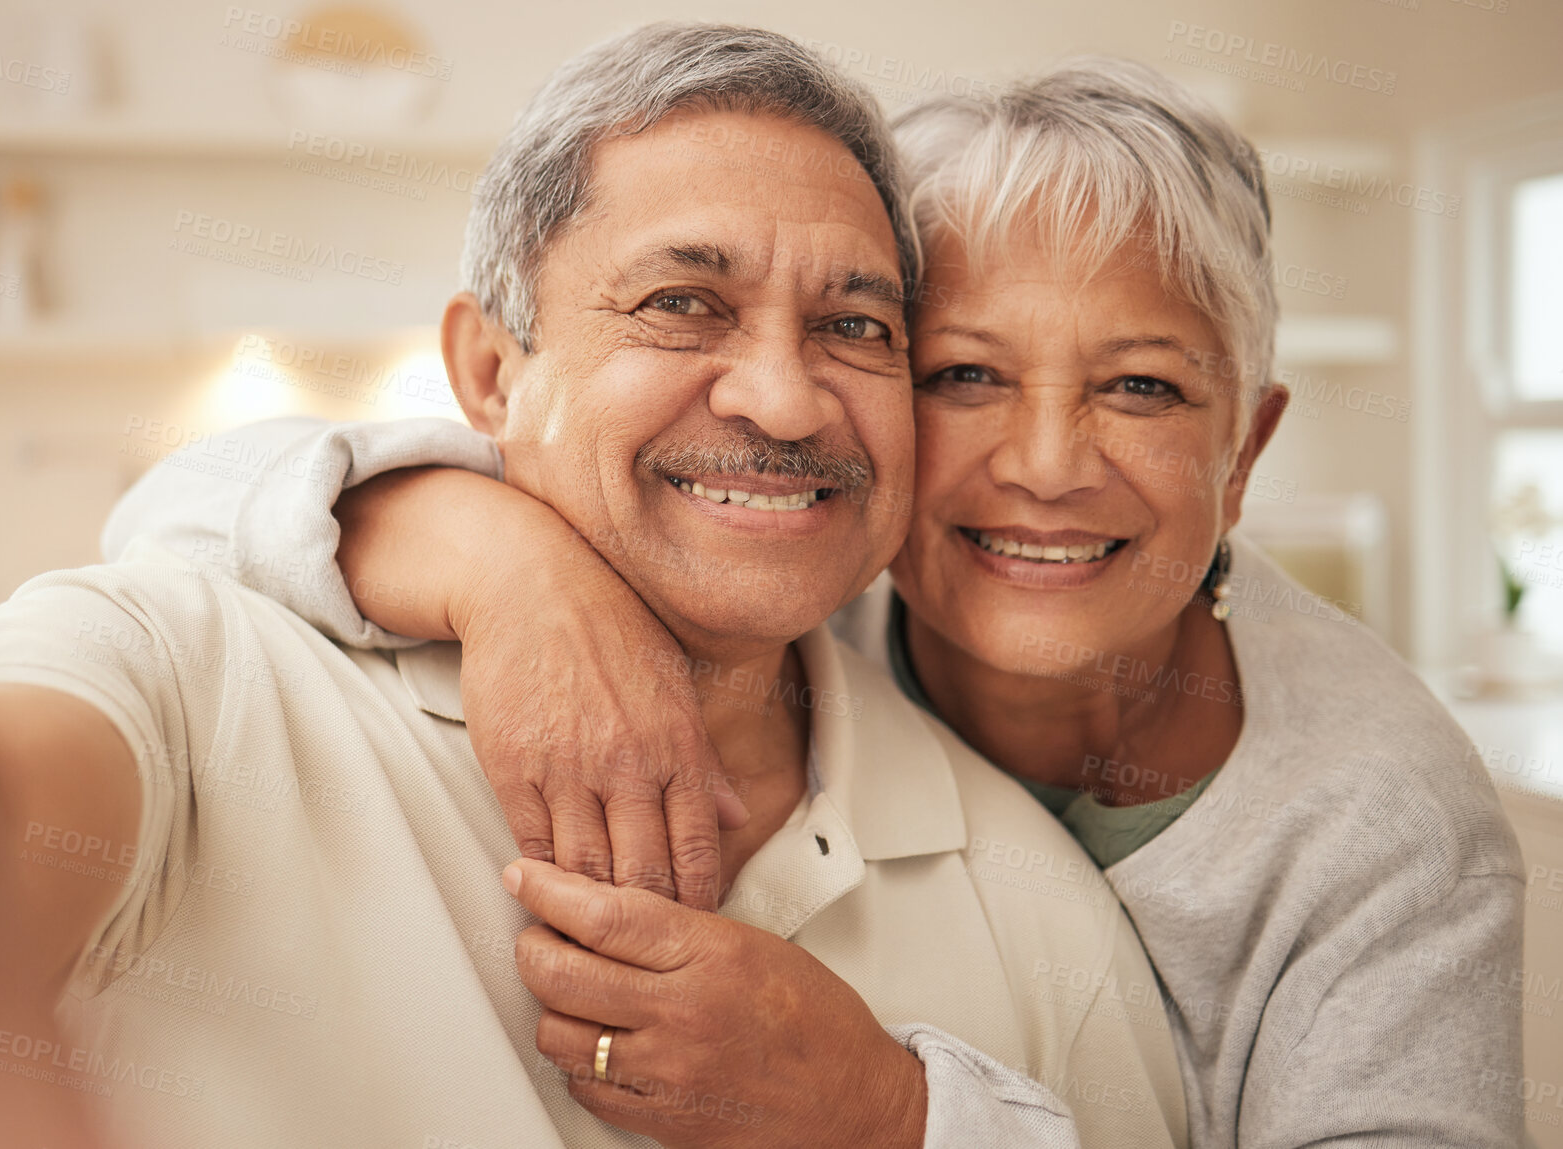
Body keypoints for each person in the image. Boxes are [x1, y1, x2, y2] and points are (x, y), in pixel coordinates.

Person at [112, 56, 1527, 1146]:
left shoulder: (1384, 824)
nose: (1043, 467)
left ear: (1246, 453)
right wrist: (509, 571)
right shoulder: (795, 571)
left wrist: (894, 1116)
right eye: (964, 373)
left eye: (1141, 386)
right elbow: (174, 517)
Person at [0, 25, 1185, 1149]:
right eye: (683, 304)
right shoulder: (186, 681)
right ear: (488, 371)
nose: (787, 400)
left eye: (856, 326)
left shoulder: (1041, 915)